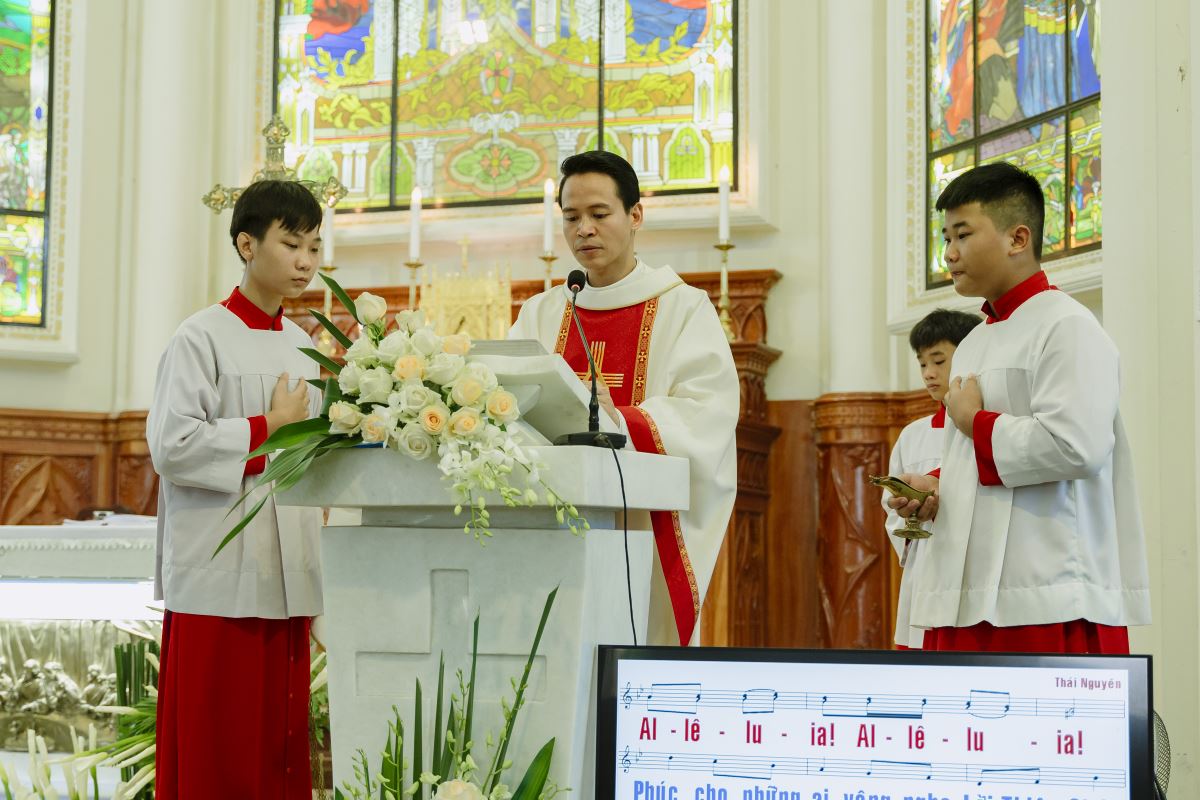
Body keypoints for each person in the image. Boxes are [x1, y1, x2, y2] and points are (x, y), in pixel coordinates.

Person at [890, 162, 1151, 653]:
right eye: (945, 238)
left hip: (1047, 591)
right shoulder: (975, 341)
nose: (949, 253)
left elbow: (1077, 446)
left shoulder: (1067, 326)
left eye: (962, 235)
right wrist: (937, 486)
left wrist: (974, 421)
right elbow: (981, 463)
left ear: (1018, 238)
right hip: (967, 594)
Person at [510, 151, 739, 646]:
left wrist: (621, 418)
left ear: (635, 215)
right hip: (550, 523)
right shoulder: (541, 314)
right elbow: (506, 400)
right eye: (571, 217)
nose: (584, 230)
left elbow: (707, 411)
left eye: (599, 213)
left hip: (640, 527)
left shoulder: (682, 307)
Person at [147, 180, 324, 797]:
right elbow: (172, 445)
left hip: (287, 576)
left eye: (314, 247)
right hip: (218, 579)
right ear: (247, 245)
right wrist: (267, 427)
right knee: (217, 748)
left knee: (276, 750)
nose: (305, 261)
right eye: (291, 244)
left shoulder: (303, 346)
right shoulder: (200, 336)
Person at [883, 308, 981, 649]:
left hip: (974, 569)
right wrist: (907, 508)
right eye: (922, 363)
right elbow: (892, 512)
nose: (928, 373)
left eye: (939, 361)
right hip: (926, 568)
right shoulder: (913, 435)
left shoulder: (989, 425)